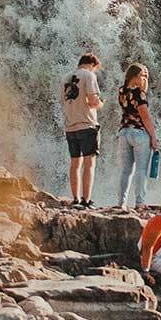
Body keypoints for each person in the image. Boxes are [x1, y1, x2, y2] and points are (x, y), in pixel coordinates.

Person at [113, 61, 159, 208]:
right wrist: (153, 137)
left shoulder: (122, 90)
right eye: (142, 75)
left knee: (126, 170)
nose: (145, 79)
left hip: (124, 132)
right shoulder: (139, 93)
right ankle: (140, 202)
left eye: (146, 76)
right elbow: (145, 116)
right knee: (141, 169)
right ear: (133, 76)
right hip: (139, 133)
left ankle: (121, 203)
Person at [61, 52, 102, 207]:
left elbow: (64, 101)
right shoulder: (89, 76)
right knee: (89, 164)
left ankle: (75, 199)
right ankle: (86, 200)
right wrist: (100, 104)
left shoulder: (65, 78)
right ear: (92, 64)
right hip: (87, 124)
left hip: (70, 126)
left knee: (74, 164)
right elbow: (93, 100)